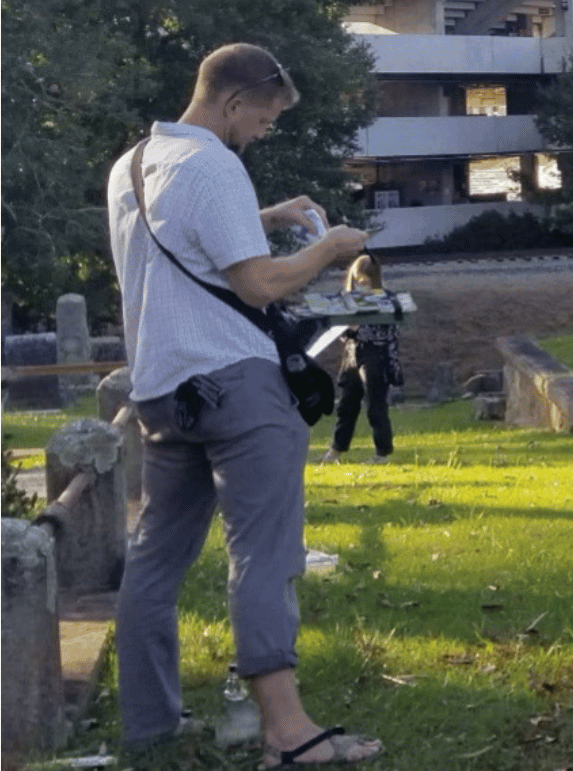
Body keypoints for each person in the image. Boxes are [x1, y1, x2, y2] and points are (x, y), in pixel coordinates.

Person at [106, 43, 383, 766]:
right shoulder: (214, 165)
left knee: (155, 559)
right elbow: (259, 286)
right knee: (264, 552)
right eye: (263, 118)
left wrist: (265, 213)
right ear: (232, 103)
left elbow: (183, 237)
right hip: (236, 385)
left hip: (162, 392)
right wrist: (331, 248)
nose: (263, 132)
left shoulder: (136, 165)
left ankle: (149, 726)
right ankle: (287, 733)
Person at [320, 254, 401, 465]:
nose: (360, 285)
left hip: (377, 354)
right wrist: (349, 329)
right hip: (353, 354)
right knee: (347, 404)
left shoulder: (387, 299)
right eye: (357, 281)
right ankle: (335, 451)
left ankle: (382, 453)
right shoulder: (347, 298)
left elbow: (392, 327)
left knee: (376, 404)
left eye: (365, 281)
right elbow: (340, 330)